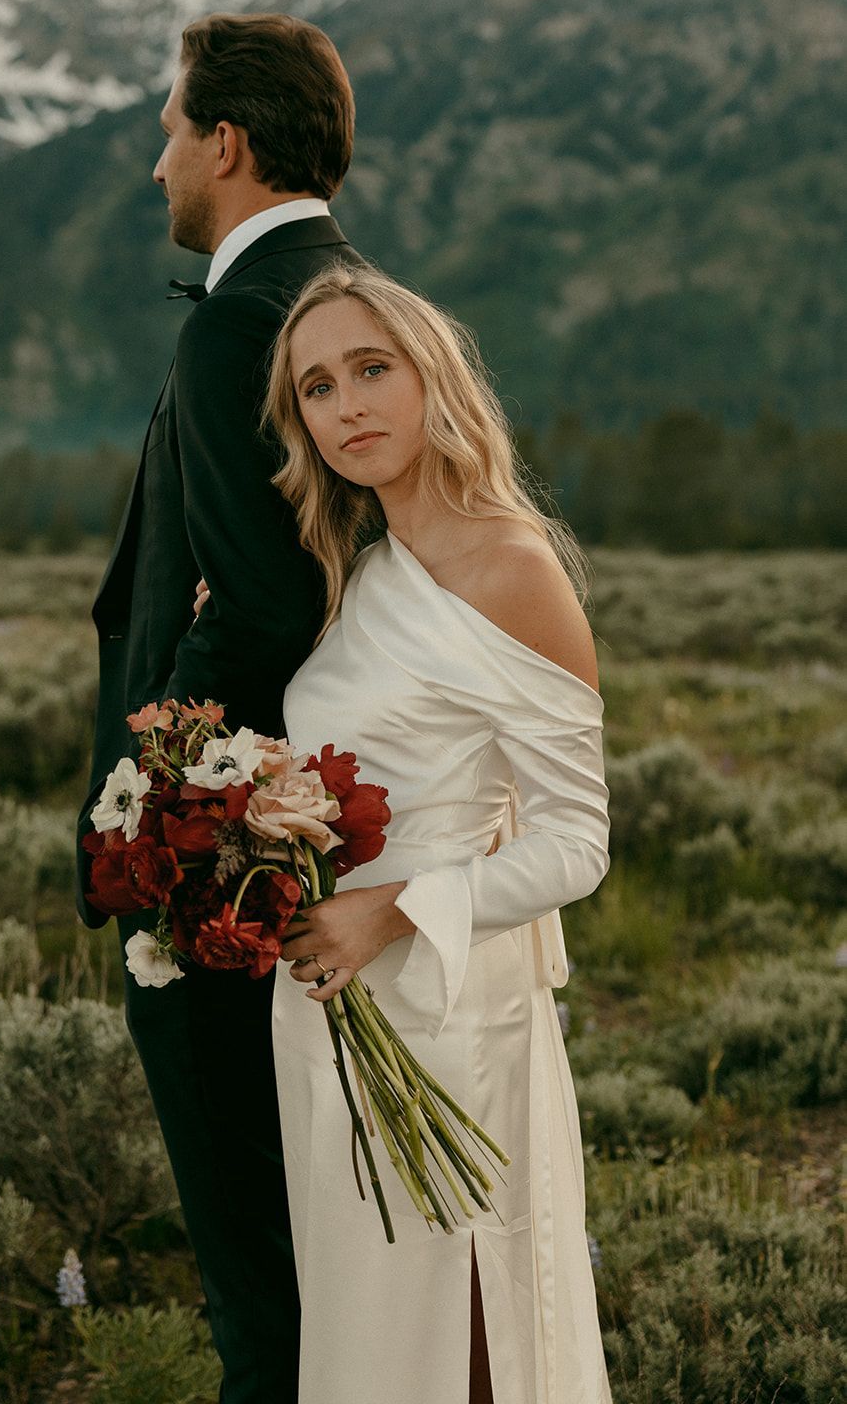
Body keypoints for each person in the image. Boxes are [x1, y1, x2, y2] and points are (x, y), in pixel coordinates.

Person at [75, 13, 365, 1404]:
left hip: (231, 869)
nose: (155, 167)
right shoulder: (352, 300)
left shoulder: (245, 323)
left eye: (168, 130)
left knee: (260, 1264)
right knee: (323, 1240)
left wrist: (153, 801)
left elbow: (261, 613)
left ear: (226, 142)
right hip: (317, 846)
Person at [262, 264, 613, 1403]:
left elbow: (574, 843)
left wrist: (389, 910)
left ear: (433, 377)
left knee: (459, 1330)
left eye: (373, 368)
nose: (347, 405)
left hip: (449, 1004)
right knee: (366, 1340)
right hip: (331, 1010)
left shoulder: (512, 567)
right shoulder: (362, 572)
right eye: (317, 387)